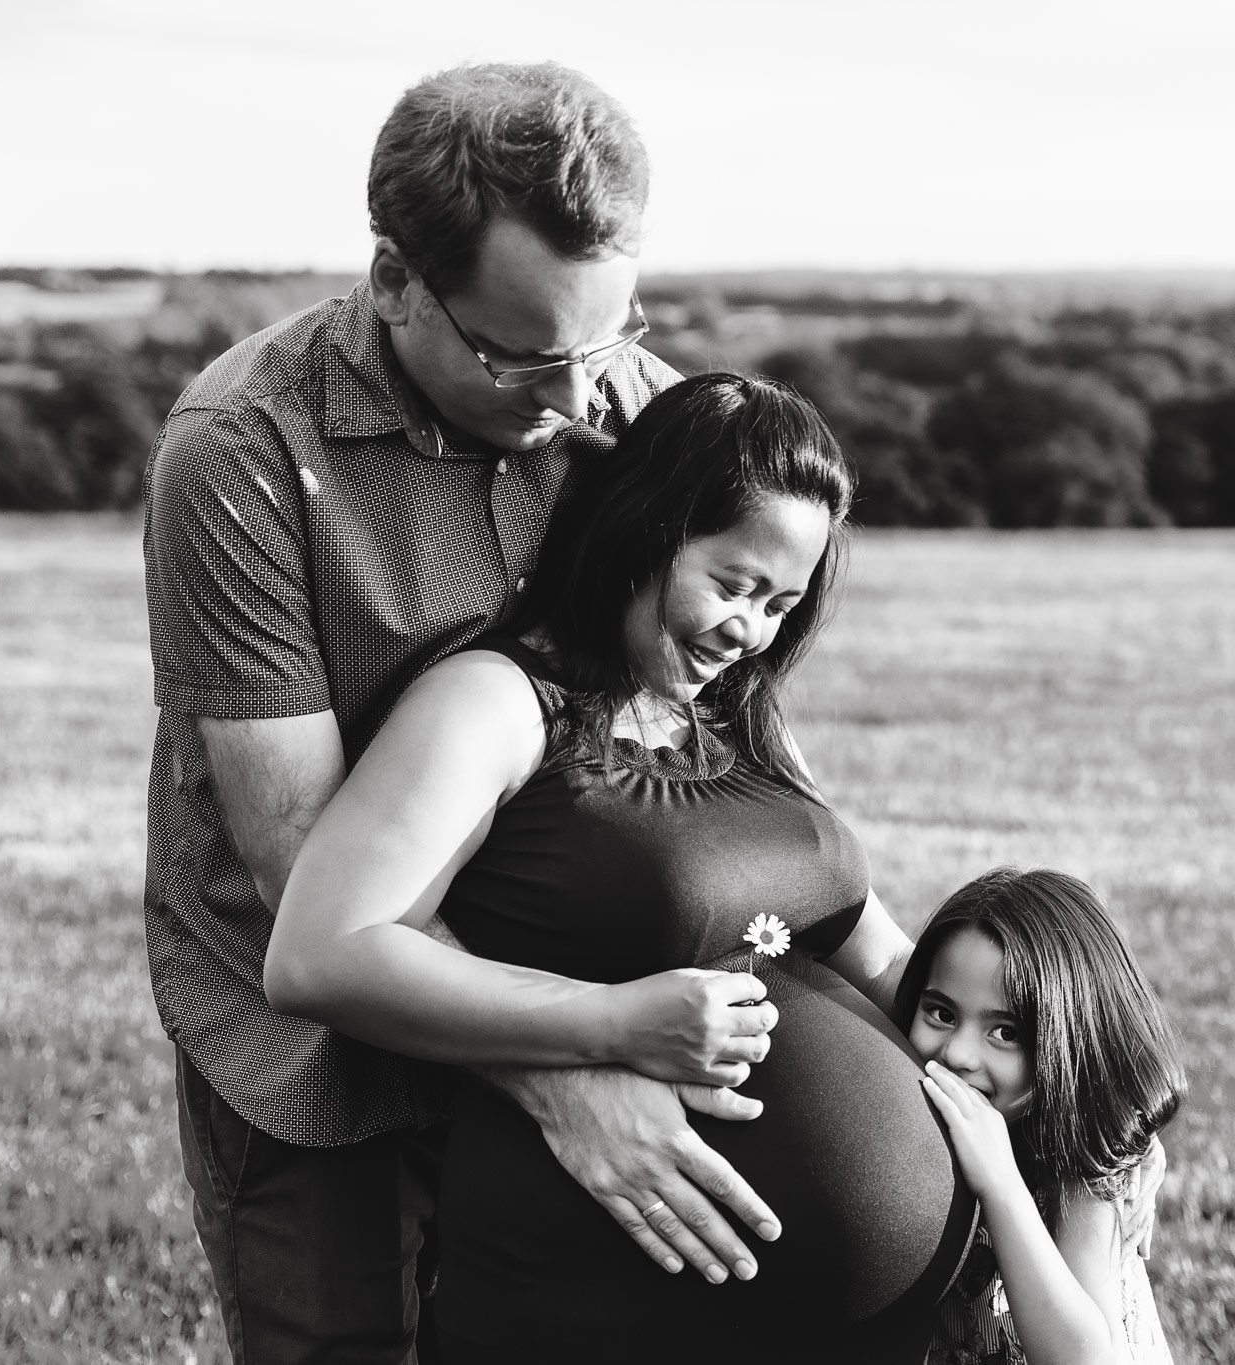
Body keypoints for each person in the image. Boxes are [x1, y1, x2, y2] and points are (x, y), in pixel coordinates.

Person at [141, 61, 779, 1362]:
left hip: (590, 989)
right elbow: (300, 866)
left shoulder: (635, 409)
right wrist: (564, 1080)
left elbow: (724, 739)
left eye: (611, 339)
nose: (578, 403)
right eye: (521, 357)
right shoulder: (245, 447)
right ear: (394, 282)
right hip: (318, 1046)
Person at [264, 372, 978, 1362]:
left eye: (779, 603)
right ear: (645, 528)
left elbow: (876, 953)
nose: (749, 631)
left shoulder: (737, 714)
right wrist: (609, 1022)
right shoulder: (497, 702)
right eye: (730, 585)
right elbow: (319, 953)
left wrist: (1067, 1085)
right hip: (592, 1299)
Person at [902, 867, 1185, 1365]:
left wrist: (1000, 1183)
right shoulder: (914, 1106)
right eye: (942, 1013)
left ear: (1071, 1044)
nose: (959, 1053)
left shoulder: (1079, 1166)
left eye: (1006, 1032)